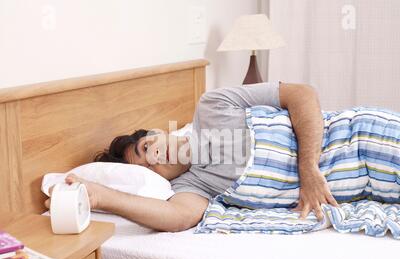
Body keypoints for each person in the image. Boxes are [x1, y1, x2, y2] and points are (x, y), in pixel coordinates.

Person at [45, 82, 340, 232]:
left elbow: (301, 93)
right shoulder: (192, 186)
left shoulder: (213, 105)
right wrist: (97, 196)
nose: (156, 154)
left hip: (364, 134)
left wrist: (309, 169)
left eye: (147, 146)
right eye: (150, 167)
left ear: (156, 132)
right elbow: (176, 218)